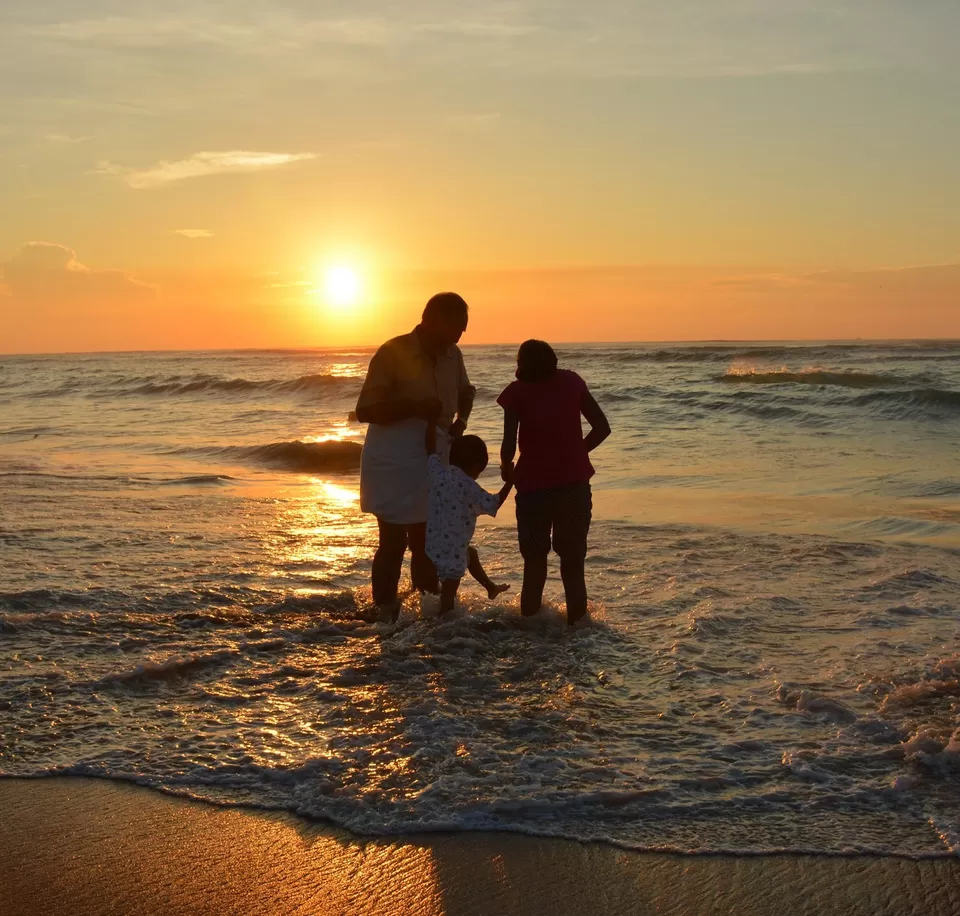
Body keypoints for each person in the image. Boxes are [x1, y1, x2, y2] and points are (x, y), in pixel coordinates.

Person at [354, 292, 475, 617]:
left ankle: (429, 617)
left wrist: (461, 421)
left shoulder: (454, 355)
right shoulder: (393, 352)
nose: (460, 335)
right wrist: (413, 407)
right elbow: (364, 410)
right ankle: (383, 616)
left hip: (434, 456)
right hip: (393, 458)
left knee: (428, 543)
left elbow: (467, 391)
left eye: (463, 329)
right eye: (457, 327)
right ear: (434, 320)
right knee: (392, 544)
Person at [497, 340, 611, 626]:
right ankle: (578, 628)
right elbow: (602, 427)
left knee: (534, 563)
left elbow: (509, 444)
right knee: (573, 563)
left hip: (532, 486)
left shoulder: (516, 393)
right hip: (574, 484)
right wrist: (575, 452)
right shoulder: (572, 382)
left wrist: (505, 467)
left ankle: (530, 628)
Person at [424, 422, 512, 615]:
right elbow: (493, 503)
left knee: (471, 554)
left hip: (430, 545)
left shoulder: (438, 473)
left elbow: (430, 450)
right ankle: (444, 627)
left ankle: (490, 587)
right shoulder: (469, 486)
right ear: (476, 466)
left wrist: (430, 423)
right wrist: (511, 482)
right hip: (452, 549)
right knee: (448, 596)